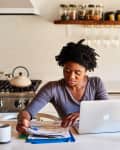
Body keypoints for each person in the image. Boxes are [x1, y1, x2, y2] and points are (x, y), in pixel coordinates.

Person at [16, 39, 108, 134]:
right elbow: (28, 111)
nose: (71, 77)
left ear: (86, 71)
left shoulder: (96, 83)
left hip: (93, 134)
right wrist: (23, 120)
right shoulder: (52, 88)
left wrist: (84, 115)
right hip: (67, 136)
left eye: (77, 72)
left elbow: (106, 111)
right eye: (67, 71)